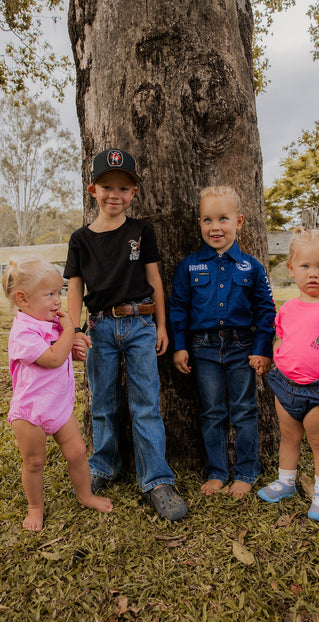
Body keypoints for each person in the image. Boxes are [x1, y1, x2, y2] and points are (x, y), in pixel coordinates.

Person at [63, 148, 187, 521]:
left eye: (123, 188)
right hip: (99, 328)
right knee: (102, 404)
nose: (114, 194)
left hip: (140, 325)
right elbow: (74, 287)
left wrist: (162, 325)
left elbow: (155, 282)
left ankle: (157, 480)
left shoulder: (140, 231)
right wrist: (73, 331)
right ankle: (102, 467)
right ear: (92, 189)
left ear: (134, 193)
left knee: (146, 404)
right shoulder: (80, 239)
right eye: (106, 186)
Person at [169, 185, 276, 498]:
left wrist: (262, 350)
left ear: (239, 221)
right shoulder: (189, 266)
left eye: (223, 219)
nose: (215, 227)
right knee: (212, 411)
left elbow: (266, 310)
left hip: (242, 348)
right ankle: (217, 471)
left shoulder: (251, 267)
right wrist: (180, 345)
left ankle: (245, 471)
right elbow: (178, 308)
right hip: (202, 348)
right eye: (207, 220)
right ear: (200, 223)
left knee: (244, 411)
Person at [2, 258, 113, 532]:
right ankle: (35, 507)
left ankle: (85, 495)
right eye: (50, 294)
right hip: (31, 413)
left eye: (59, 292)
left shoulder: (50, 325)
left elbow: (61, 356)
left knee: (77, 452)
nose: (57, 301)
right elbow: (51, 359)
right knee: (35, 461)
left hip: (59, 408)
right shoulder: (23, 332)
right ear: (23, 299)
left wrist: (74, 352)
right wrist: (69, 331)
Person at [257, 227, 319, 522]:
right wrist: (271, 360)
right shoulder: (287, 309)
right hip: (285, 386)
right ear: (291, 269)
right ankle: (286, 481)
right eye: (305, 266)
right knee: (288, 436)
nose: (313, 273)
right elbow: (283, 340)